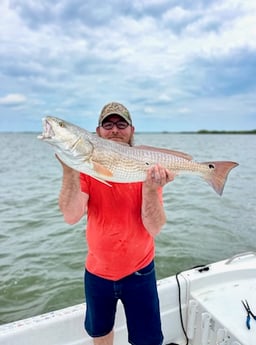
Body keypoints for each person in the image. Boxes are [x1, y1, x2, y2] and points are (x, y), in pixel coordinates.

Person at [58, 102, 174, 345]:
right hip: (97, 272)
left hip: (140, 271)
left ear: (132, 130)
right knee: (100, 334)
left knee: (148, 340)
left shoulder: (146, 169)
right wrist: (69, 171)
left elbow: (155, 228)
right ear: (97, 132)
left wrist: (152, 190)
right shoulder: (87, 169)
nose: (115, 130)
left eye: (121, 124)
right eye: (107, 124)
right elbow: (71, 216)